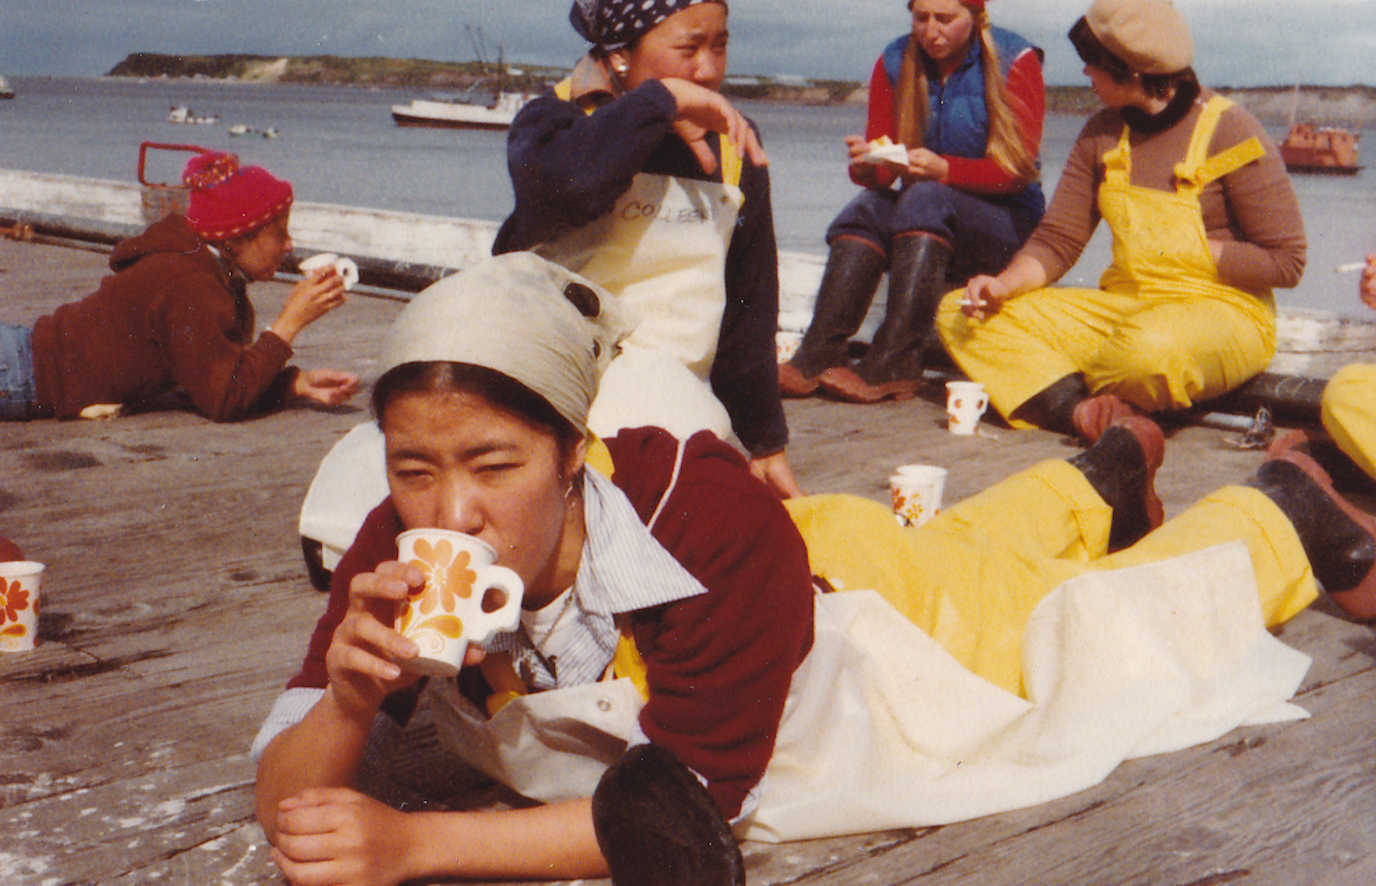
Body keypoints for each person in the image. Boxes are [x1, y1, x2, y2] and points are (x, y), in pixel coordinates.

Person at [254, 252, 1371, 885]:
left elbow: (683, 802)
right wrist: (350, 700)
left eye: (494, 463)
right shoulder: (398, 541)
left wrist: (419, 843)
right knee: (969, 539)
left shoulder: (701, 517)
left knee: (1071, 624)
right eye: (414, 468)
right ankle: (1101, 476)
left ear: (574, 445)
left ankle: (1277, 511)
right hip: (820, 547)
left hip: (865, 616)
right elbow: (285, 790)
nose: (451, 508)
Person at [937, 0, 1306, 443]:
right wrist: (1003, 286)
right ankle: (1083, 413)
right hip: (1129, 309)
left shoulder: (1232, 129)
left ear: (1130, 70)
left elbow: (1287, 262)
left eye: (1092, 65)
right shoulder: (1101, 132)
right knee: (958, 314)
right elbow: (1058, 239)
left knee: (1148, 351)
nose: (1086, 75)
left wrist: (1190, 249)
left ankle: (1098, 392)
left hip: (1223, 314)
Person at [493, 0, 801, 498]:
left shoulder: (732, 143)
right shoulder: (554, 122)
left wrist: (767, 445)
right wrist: (661, 103)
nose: (707, 69)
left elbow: (749, 306)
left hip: (679, 411)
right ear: (619, 55)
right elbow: (570, 189)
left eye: (719, 46)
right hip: (557, 403)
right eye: (688, 49)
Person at [779, 0, 1045, 403]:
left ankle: (897, 359)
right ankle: (820, 350)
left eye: (945, 18)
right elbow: (885, 175)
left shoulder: (1015, 59)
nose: (931, 31)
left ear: (974, 16)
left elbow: (1016, 173)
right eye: (921, 18)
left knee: (925, 196)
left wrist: (945, 170)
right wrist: (868, 164)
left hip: (1008, 225)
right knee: (867, 208)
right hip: (927, 219)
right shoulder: (894, 59)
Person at [0, 151, 358, 422]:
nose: (289, 245)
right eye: (279, 232)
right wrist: (289, 324)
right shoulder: (191, 284)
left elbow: (210, 378)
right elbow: (224, 399)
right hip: (22, 374)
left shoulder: (201, 268)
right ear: (235, 239)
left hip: (20, 357)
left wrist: (293, 385)